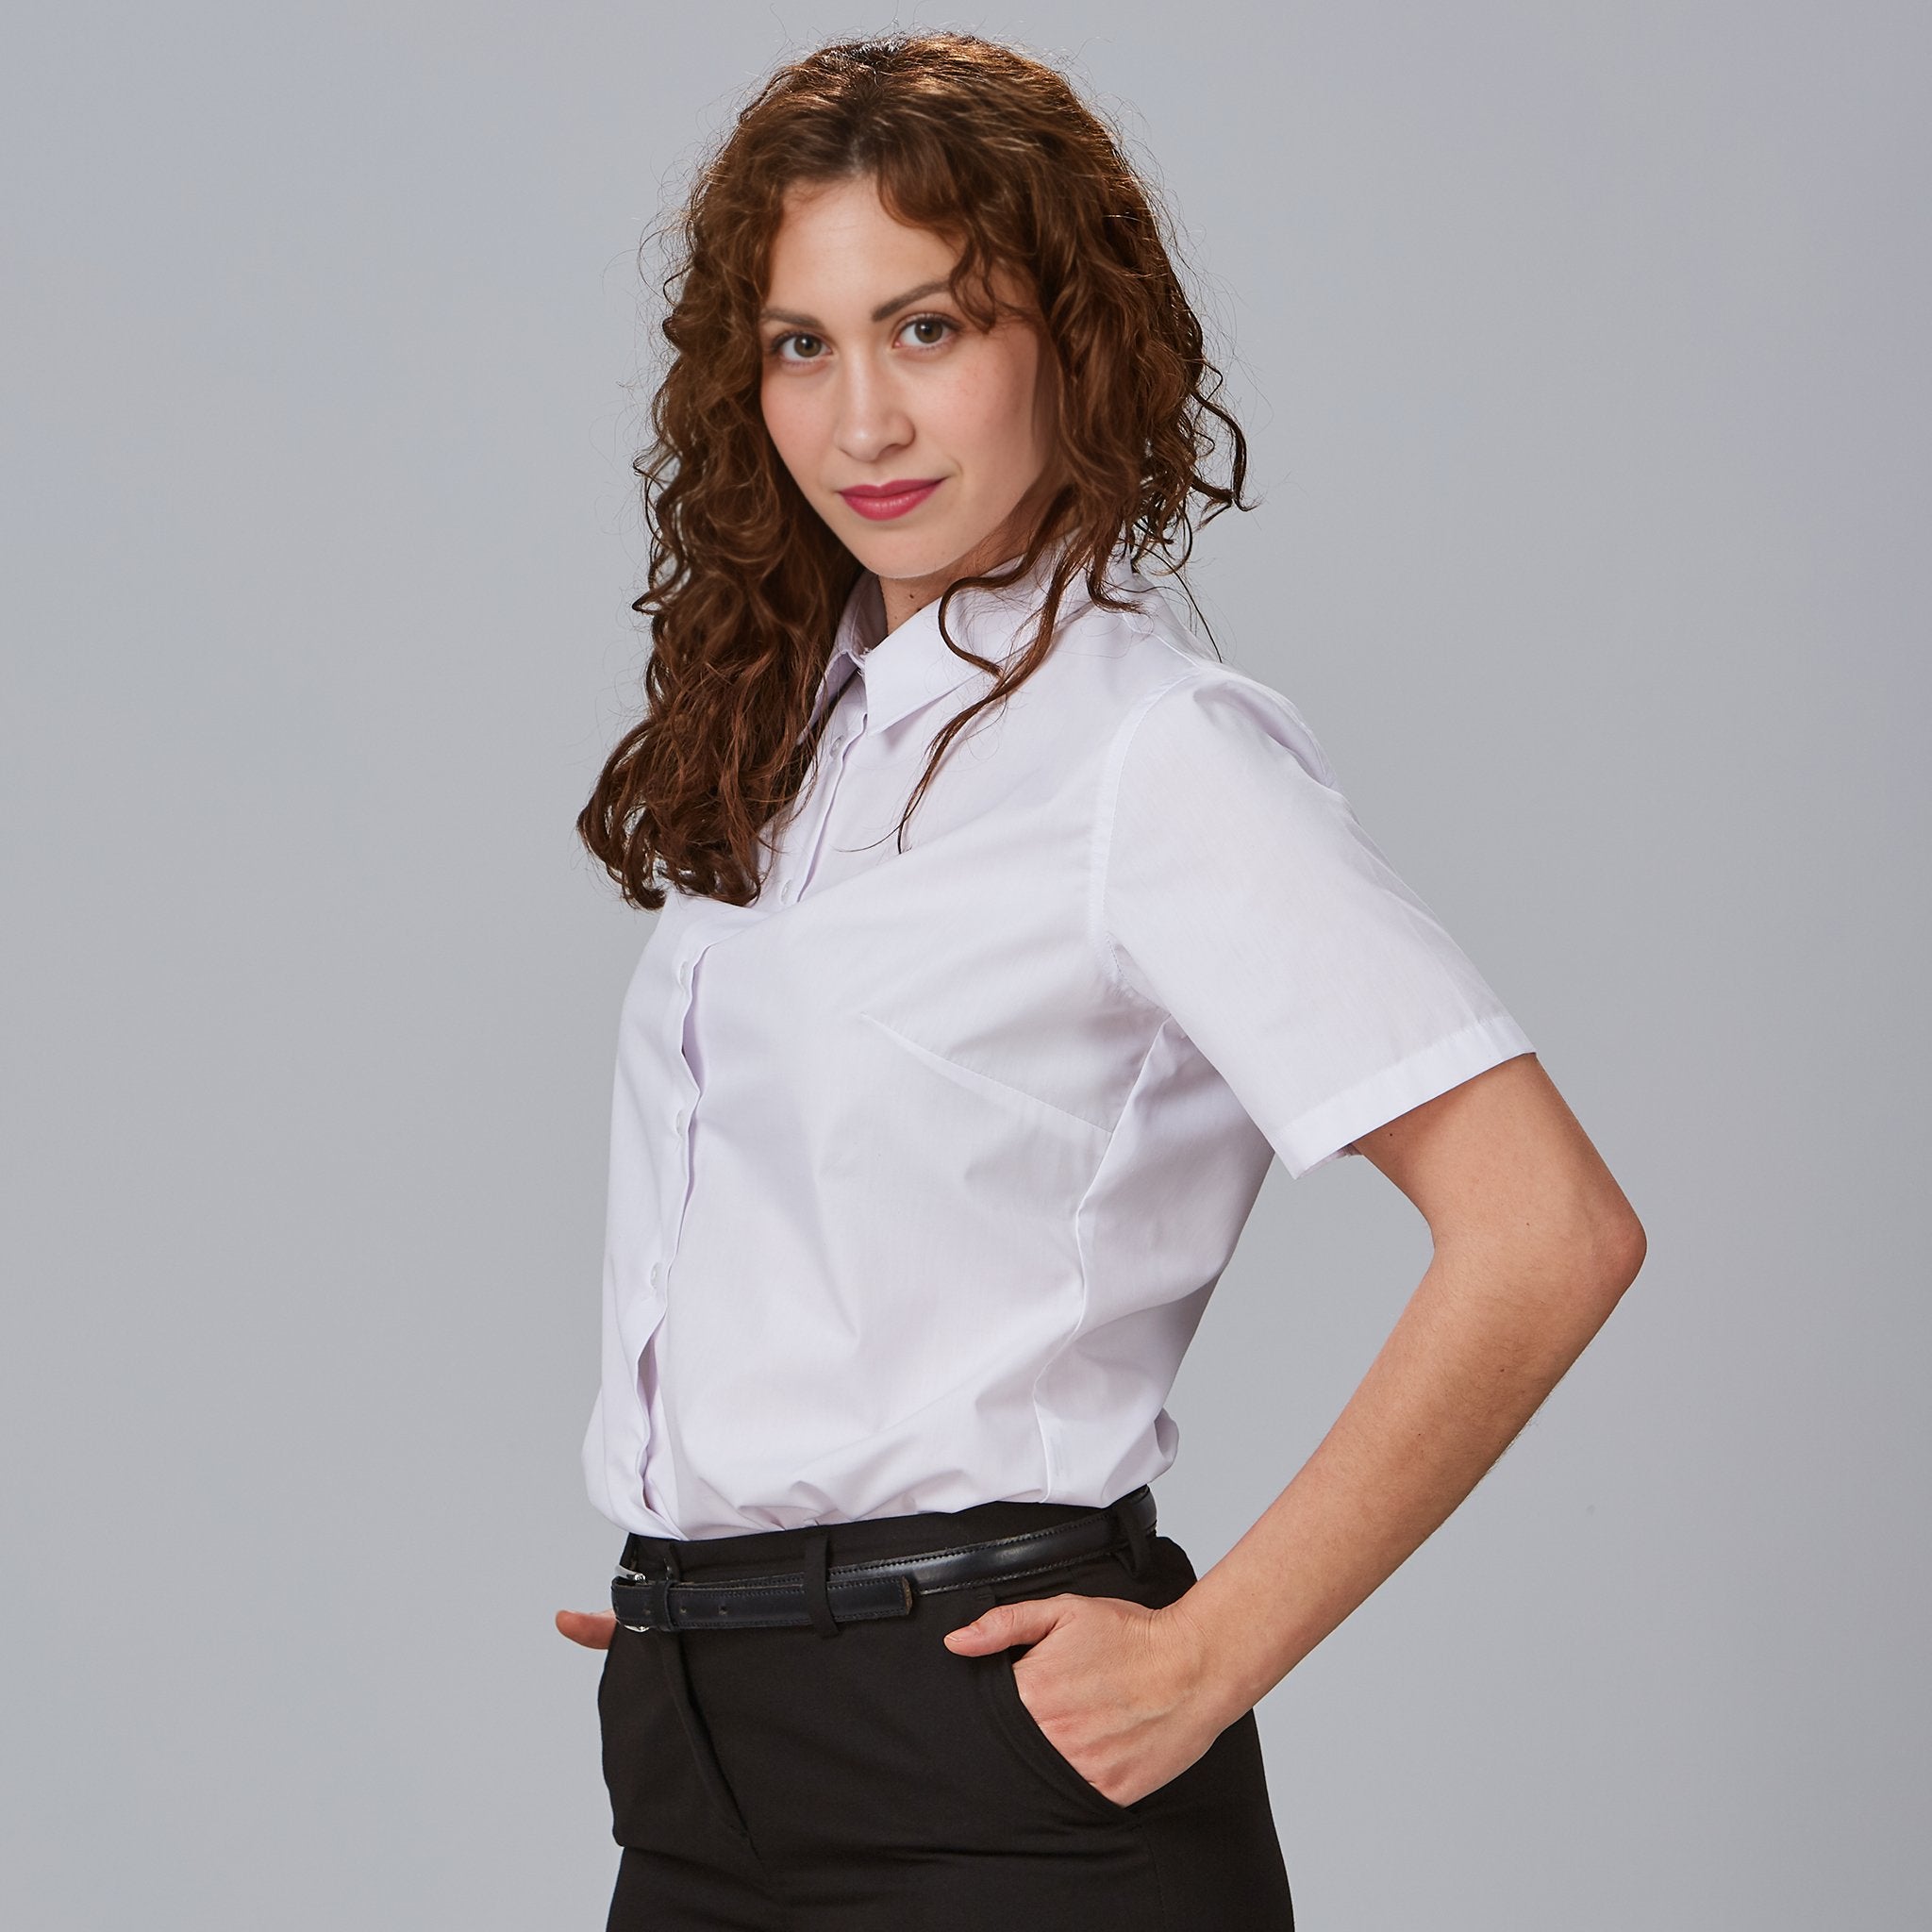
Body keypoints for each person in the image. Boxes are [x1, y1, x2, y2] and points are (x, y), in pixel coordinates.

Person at [555, 30, 1645, 1932]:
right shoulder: (807, 746)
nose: (863, 421)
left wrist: (1212, 1652)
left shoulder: (1150, 754)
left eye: (928, 328)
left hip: (986, 1773)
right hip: (701, 1753)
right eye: (803, 344)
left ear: (1072, 338)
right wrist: (719, 1573)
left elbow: (1546, 1229)